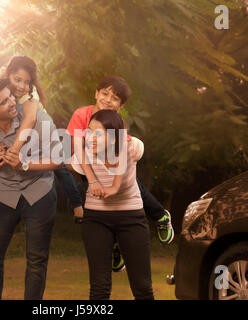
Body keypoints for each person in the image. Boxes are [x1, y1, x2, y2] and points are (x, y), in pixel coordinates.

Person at [0, 77, 63, 300]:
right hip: (3, 195)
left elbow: (59, 158)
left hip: (38, 192)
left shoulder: (37, 117)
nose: (12, 102)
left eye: (10, 96)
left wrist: (25, 164)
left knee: (37, 260)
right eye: (3, 102)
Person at [66, 75, 174, 272]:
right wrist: (91, 180)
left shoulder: (117, 121)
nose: (107, 100)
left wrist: (114, 182)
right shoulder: (82, 114)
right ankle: (114, 244)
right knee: (96, 198)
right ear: (96, 93)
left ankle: (159, 216)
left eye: (114, 98)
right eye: (105, 94)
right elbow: (78, 149)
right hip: (87, 160)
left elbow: (119, 156)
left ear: (121, 105)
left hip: (112, 160)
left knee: (128, 185)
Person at [0, 56, 83, 223]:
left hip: (38, 131)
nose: (22, 86)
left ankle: (78, 207)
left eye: (26, 82)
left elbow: (30, 120)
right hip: (16, 131)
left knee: (59, 166)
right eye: (17, 80)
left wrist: (15, 149)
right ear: (8, 74)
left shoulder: (31, 95)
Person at [71, 109, 154, 299]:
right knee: (99, 288)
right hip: (95, 219)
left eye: (98, 134)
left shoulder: (132, 149)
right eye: (89, 131)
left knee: (142, 287)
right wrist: (92, 180)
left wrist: (113, 186)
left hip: (131, 217)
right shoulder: (85, 154)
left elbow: (130, 143)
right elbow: (75, 159)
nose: (91, 137)